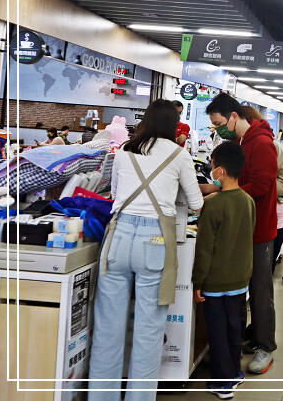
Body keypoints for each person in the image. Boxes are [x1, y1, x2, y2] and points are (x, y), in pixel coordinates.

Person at [89, 99, 204, 401]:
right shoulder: (180, 155)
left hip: (119, 236)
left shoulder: (125, 151)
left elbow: (114, 193)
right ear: (172, 126)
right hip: (155, 241)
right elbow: (197, 203)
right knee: (149, 332)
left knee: (107, 328)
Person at [202, 93, 278, 375]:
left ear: (234, 116)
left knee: (260, 289)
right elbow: (237, 181)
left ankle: (265, 347)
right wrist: (215, 188)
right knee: (235, 289)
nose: (217, 128)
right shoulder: (239, 142)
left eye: (219, 122)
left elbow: (261, 185)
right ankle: (236, 343)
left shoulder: (262, 143)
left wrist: (225, 197)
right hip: (238, 226)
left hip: (259, 228)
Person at [193, 142, 255, 399]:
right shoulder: (248, 201)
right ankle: (235, 372)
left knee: (216, 332)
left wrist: (198, 282)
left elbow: (205, 250)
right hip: (240, 279)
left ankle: (222, 382)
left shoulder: (213, 205)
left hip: (216, 283)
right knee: (233, 328)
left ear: (219, 171)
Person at [240, 106, 283, 273]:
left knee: (263, 269)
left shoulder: (268, 145)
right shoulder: (245, 143)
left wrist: (263, 186)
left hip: (274, 210)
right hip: (257, 210)